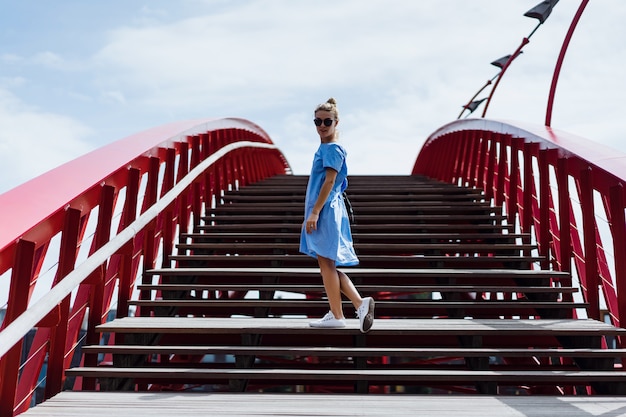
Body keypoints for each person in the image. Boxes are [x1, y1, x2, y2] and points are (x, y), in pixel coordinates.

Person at [299, 97, 375, 333]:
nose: (321, 125)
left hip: (325, 210)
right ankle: (352, 307)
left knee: (326, 263)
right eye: (317, 121)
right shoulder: (327, 148)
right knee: (326, 263)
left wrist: (314, 212)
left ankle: (342, 312)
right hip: (327, 209)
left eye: (327, 121)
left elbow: (330, 181)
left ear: (336, 122)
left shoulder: (332, 148)